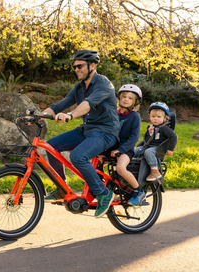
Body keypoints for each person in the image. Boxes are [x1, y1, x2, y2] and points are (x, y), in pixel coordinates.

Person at [40, 49, 120, 218]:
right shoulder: (79, 87)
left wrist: (70, 115)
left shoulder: (103, 84)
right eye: (74, 67)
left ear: (93, 65)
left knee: (78, 156)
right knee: (50, 146)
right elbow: (58, 106)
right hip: (87, 130)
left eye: (80, 66)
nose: (76, 69)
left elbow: (88, 104)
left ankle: (103, 193)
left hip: (105, 133)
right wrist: (37, 116)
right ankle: (62, 188)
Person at [103, 84, 145, 206]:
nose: (126, 99)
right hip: (110, 147)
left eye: (130, 98)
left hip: (126, 149)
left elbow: (134, 137)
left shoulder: (134, 116)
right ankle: (102, 189)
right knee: (95, 163)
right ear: (119, 99)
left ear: (135, 102)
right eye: (124, 97)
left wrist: (121, 149)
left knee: (120, 168)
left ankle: (138, 191)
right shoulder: (113, 114)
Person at [134, 102, 178, 181]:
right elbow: (146, 141)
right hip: (147, 147)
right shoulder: (150, 128)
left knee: (148, 152)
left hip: (158, 149)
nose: (155, 118)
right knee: (133, 151)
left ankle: (155, 171)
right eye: (153, 116)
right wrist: (138, 148)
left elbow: (174, 136)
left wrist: (170, 149)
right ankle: (132, 168)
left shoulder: (164, 128)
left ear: (165, 118)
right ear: (150, 117)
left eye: (158, 117)